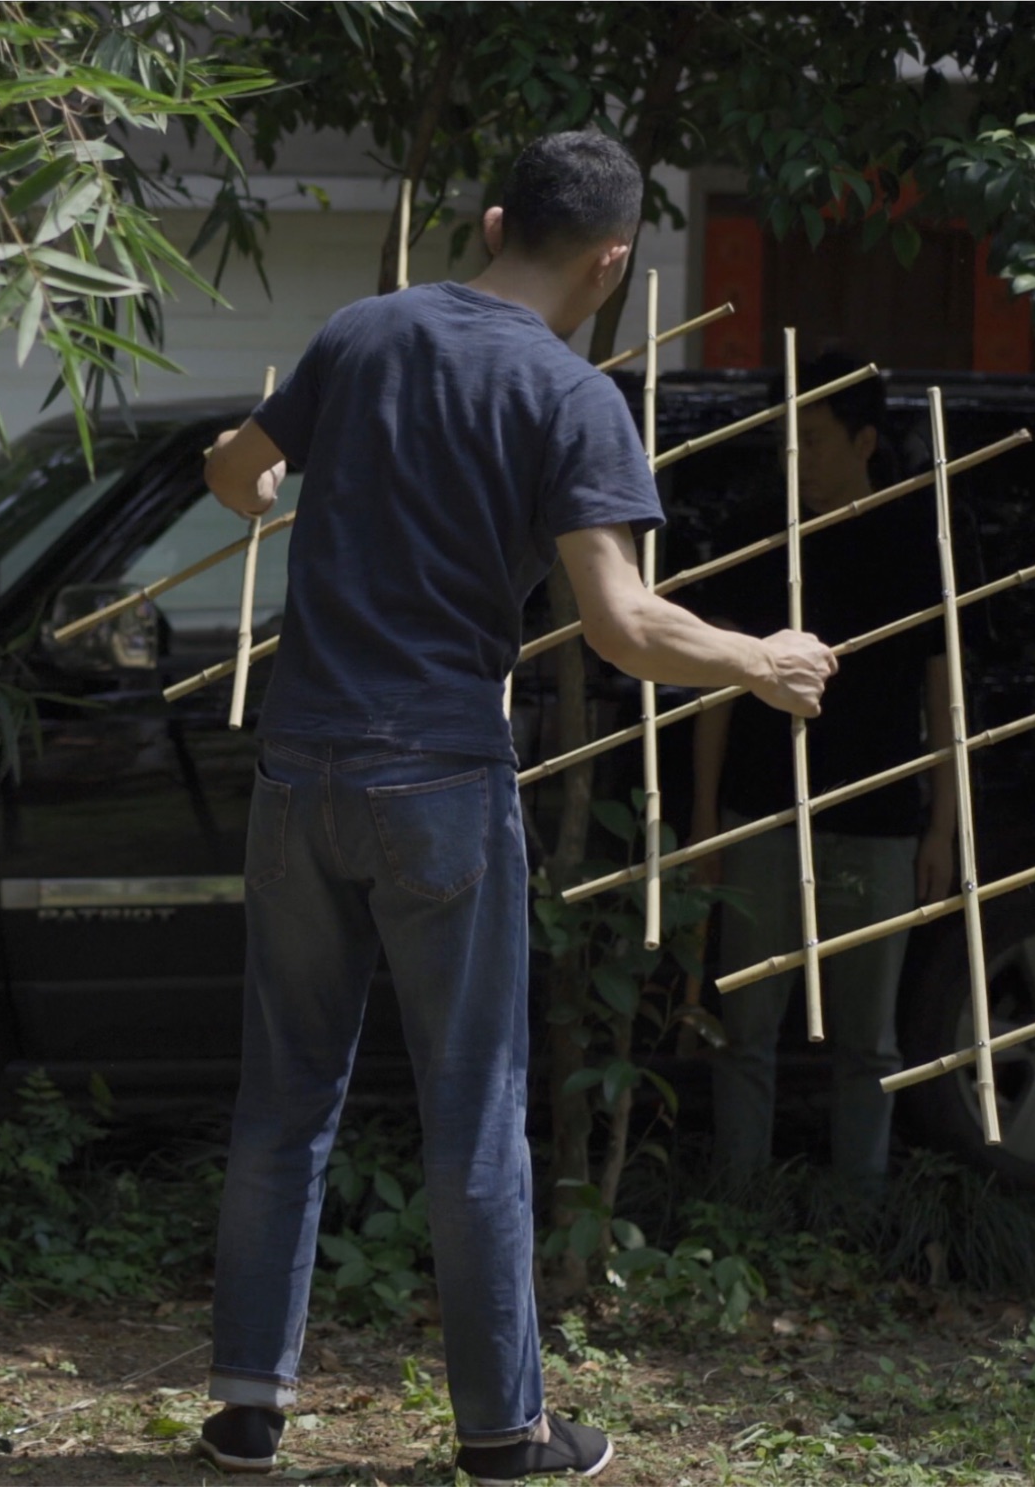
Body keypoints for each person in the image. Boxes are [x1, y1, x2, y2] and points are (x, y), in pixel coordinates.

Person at [194, 130, 838, 1484]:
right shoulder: (568, 394)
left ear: (490, 221)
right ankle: (503, 1433)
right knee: (470, 1110)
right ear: (609, 263)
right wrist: (757, 658)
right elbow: (617, 627)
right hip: (435, 778)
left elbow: (235, 465)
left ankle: (247, 1408)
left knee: (282, 1099)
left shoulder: (358, 335)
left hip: (298, 767)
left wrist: (252, 482)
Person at [688, 353, 954, 1199]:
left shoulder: (918, 534)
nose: (791, 457)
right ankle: (740, 1208)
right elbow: (715, 690)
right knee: (745, 1030)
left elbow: (944, 688)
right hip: (762, 811)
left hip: (879, 818)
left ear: (865, 440)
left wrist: (946, 824)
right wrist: (705, 816)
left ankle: (859, 1217)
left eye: (810, 438)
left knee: (868, 1040)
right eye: (783, 441)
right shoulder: (758, 531)